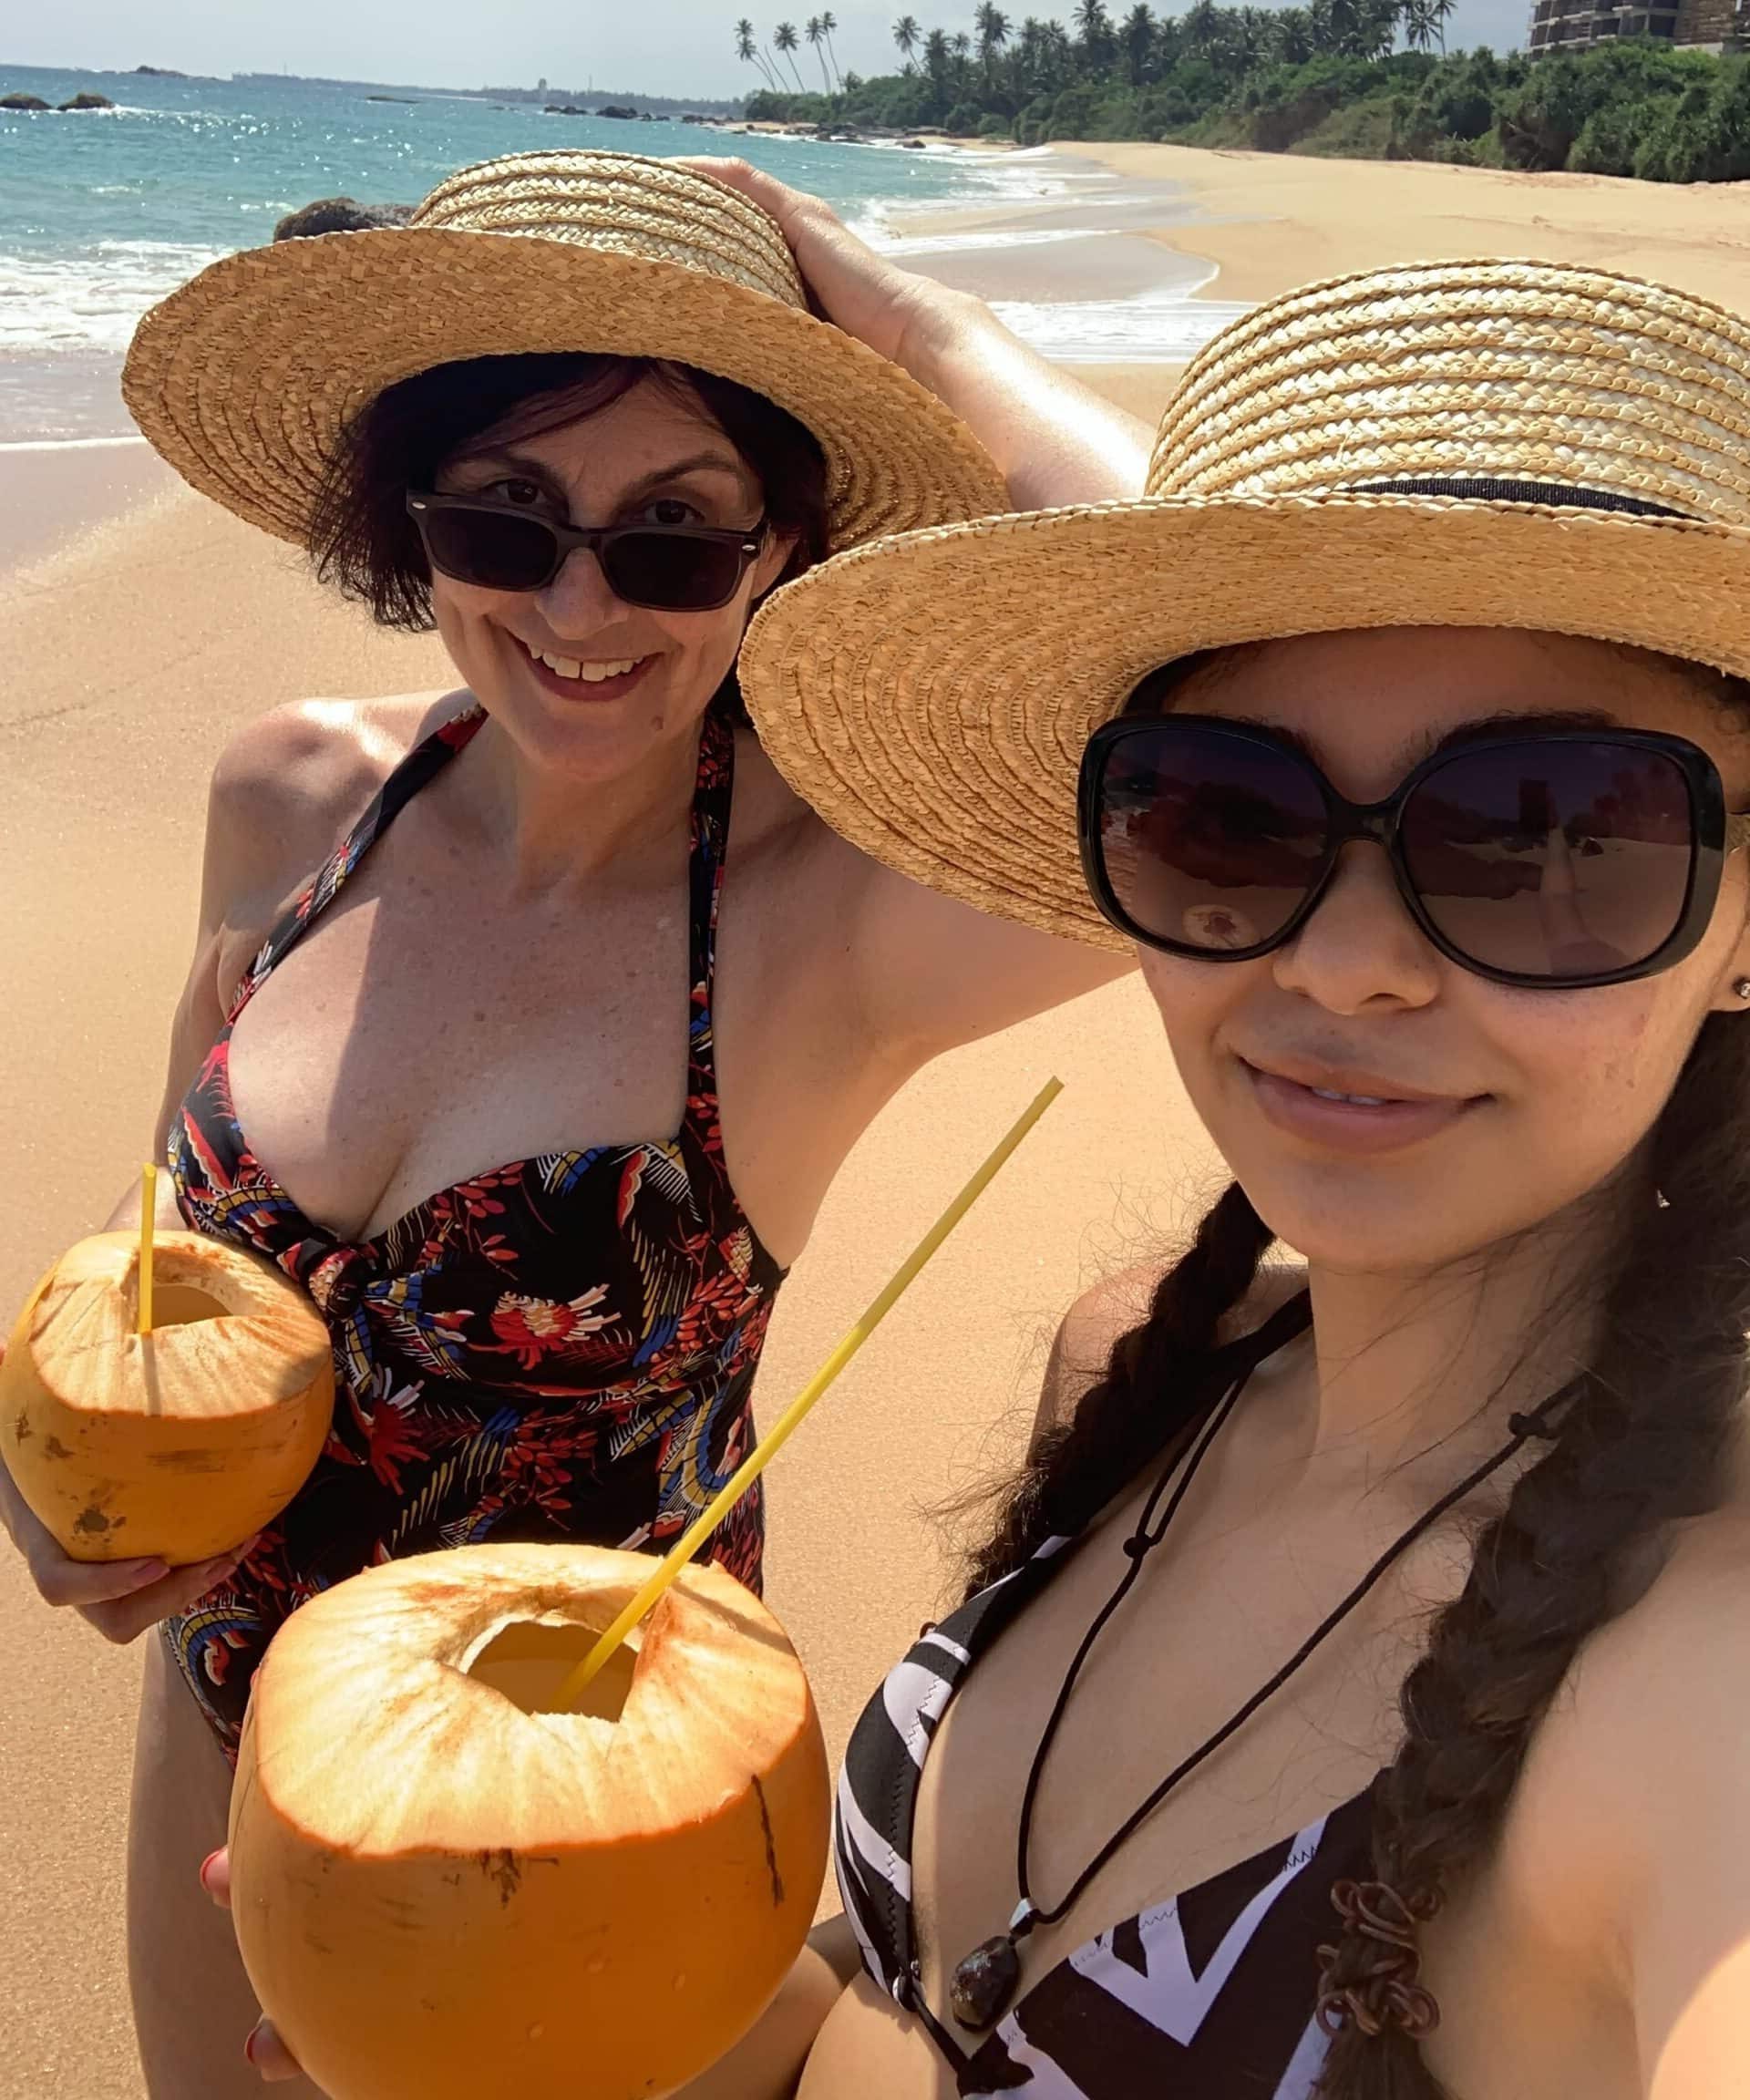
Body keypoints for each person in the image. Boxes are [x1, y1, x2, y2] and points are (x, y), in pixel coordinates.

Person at [222, 258, 1750, 2094]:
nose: (1348, 964)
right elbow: (923, 2046)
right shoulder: (1143, 1380)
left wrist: (920, 338)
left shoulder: (1697, 1680)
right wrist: (602, 2010)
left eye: (1550, 838)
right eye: (1229, 812)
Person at [0, 150, 1146, 2098]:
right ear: (407, 526)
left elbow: (1217, 670)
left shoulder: (821, 924)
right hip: (228, 1773)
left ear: (780, 547)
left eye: (678, 534)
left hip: (600, 1881)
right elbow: (154, 1269)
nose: (583, 604)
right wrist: (70, 1480)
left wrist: (904, 323)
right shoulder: (293, 802)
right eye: (504, 521)